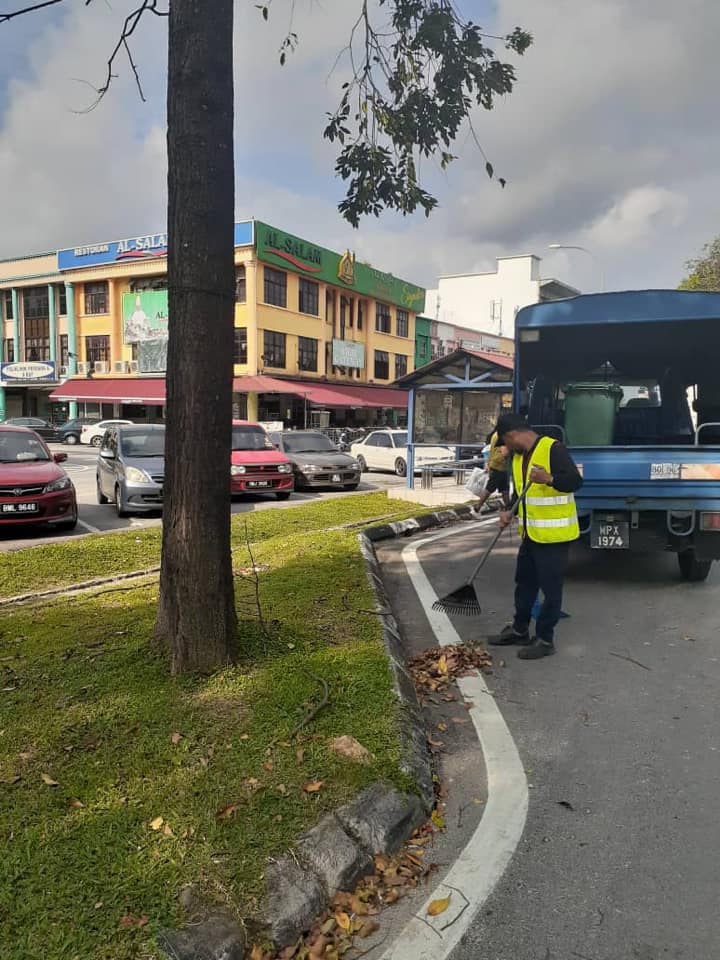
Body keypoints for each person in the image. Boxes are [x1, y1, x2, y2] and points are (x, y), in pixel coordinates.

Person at [489, 413, 583, 660]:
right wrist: (510, 512)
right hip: (531, 535)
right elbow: (523, 494)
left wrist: (549, 479)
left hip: (555, 537)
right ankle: (520, 629)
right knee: (525, 584)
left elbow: (575, 481)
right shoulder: (520, 457)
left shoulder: (553, 449)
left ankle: (545, 639)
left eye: (506, 443)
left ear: (513, 435)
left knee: (551, 590)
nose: (507, 449)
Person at [474, 429, 511, 513]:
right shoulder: (503, 436)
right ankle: (478, 506)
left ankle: (508, 508)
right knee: (491, 488)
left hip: (497, 464)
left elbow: (491, 450)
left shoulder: (495, 434)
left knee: (504, 489)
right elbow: (505, 452)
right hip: (500, 465)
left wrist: (489, 463)